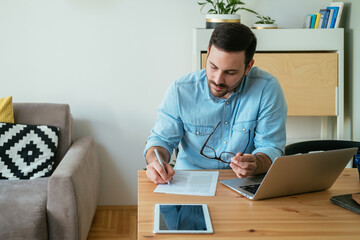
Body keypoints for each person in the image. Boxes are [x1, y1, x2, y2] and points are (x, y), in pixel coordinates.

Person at [144, 23, 287, 184]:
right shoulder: (181, 90)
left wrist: (257, 163)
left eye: (230, 72)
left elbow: (271, 147)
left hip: (244, 183)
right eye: (213, 67)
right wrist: (155, 162)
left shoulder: (266, 89)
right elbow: (160, 140)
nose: (218, 79)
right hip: (189, 181)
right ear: (207, 53)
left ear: (248, 67)